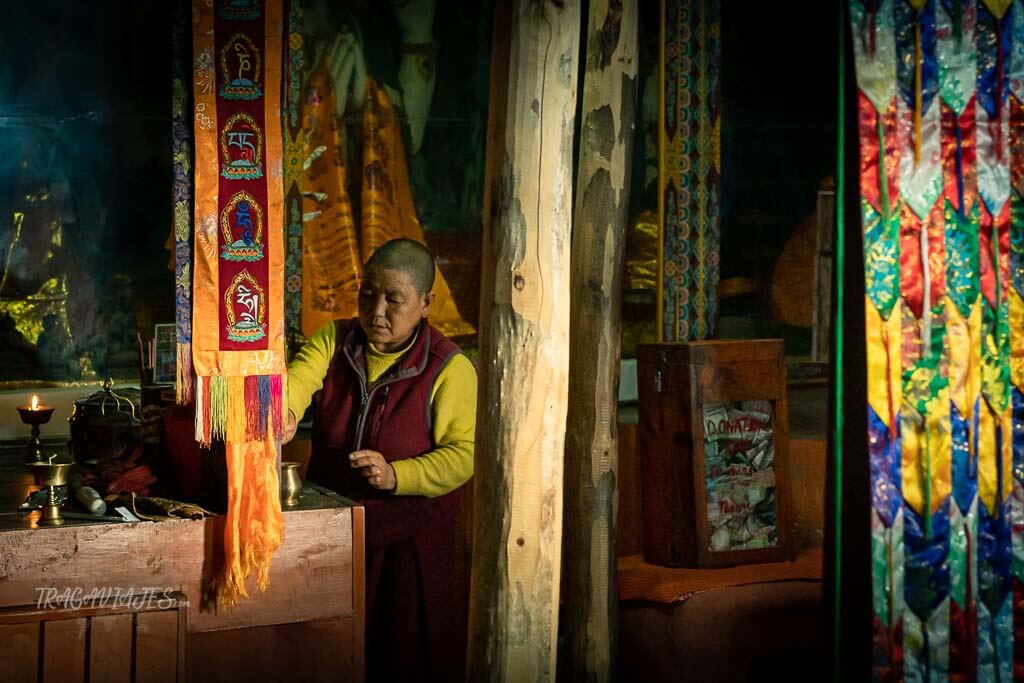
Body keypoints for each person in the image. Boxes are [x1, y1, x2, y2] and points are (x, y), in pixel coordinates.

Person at [283, 237, 475, 681]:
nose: (377, 312)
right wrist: (285, 412)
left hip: (408, 543)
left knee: (404, 656)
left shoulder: (449, 368)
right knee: (333, 654)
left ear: (426, 303)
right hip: (336, 538)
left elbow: (463, 456)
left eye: (395, 300)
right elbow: (297, 380)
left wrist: (396, 474)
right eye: (368, 295)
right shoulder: (337, 340)